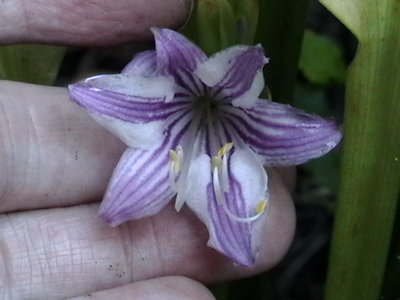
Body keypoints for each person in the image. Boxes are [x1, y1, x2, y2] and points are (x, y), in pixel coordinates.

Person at [0, 1, 296, 299]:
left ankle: (235, 239)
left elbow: (248, 68)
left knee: (236, 237)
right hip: (187, 111)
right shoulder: (172, 73)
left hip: (199, 113)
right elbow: (102, 97)